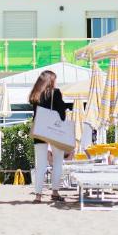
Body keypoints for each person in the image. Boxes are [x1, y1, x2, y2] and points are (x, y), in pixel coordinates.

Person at [28, 70, 71, 203]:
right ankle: (55, 192)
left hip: (40, 131)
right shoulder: (56, 93)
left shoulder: (35, 95)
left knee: (40, 164)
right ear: (51, 81)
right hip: (55, 131)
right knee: (57, 162)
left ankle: (38, 195)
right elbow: (62, 115)